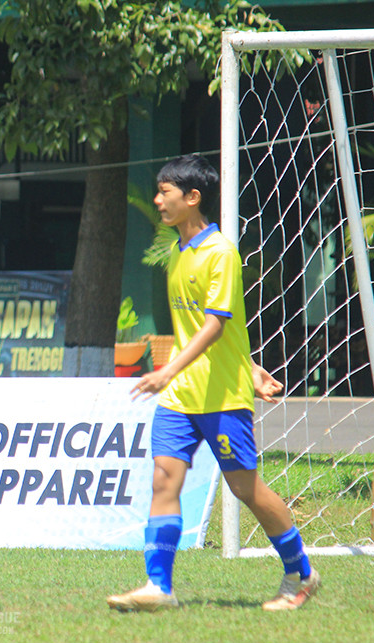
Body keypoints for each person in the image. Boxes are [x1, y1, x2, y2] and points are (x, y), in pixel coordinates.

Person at [106, 154, 321, 613]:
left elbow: (215, 326)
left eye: (165, 191)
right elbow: (212, 328)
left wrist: (173, 369)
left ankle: (302, 573)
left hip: (221, 395)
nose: (158, 199)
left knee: (246, 489)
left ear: (193, 197)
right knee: (165, 480)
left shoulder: (221, 251)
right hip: (181, 396)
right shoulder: (176, 254)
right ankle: (158, 587)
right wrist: (249, 362)